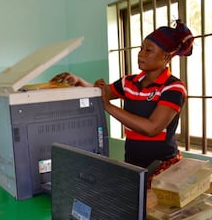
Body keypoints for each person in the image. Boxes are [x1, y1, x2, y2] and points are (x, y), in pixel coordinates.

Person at [50, 20, 194, 188]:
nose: (140, 54)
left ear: (166, 57)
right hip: (133, 164)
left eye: (148, 50)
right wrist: (78, 81)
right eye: (141, 49)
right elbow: (102, 93)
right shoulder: (129, 82)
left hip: (163, 168)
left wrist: (109, 107)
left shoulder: (174, 87)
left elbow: (152, 128)